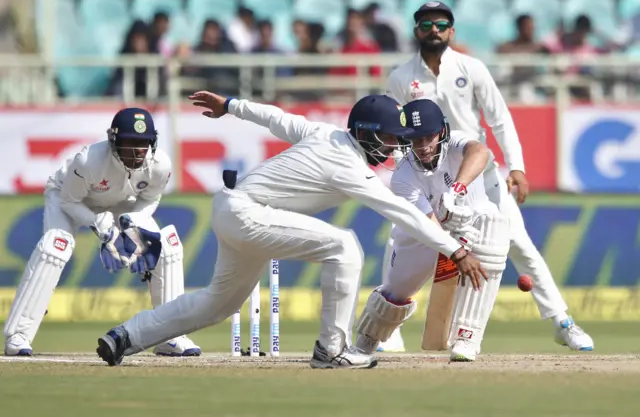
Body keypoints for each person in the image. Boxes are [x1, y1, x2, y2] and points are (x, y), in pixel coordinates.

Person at [95, 92, 487, 369]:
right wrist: (456, 251)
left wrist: (230, 105)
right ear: (365, 133)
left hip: (238, 212)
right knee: (344, 246)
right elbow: (406, 214)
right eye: (388, 139)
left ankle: (125, 336)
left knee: (218, 305)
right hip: (249, 214)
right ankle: (331, 350)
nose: (394, 149)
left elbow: (276, 118)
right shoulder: (347, 165)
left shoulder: (326, 133)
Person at [379, 0, 593, 352]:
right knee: (401, 237)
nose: (434, 30)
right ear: (416, 30)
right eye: (426, 24)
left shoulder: (471, 67)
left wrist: (518, 166)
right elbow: (397, 132)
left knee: (519, 243)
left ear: (452, 31)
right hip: (427, 174)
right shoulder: (401, 78)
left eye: (441, 24)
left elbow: (499, 118)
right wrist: (410, 173)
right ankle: (391, 326)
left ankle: (562, 321)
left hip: (477, 172)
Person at [3, 108, 200, 358]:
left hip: (121, 202)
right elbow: (68, 201)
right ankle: (18, 335)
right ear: (114, 141)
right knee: (56, 246)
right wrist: (98, 223)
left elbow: (151, 198)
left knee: (167, 245)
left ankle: (170, 336)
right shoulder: (89, 161)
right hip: (70, 197)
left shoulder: (160, 164)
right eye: (130, 143)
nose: (138, 151)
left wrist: (133, 222)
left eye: (143, 143)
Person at [355, 99, 510, 362]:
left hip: (470, 224)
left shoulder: (456, 143)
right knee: (396, 291)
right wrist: (457, 252)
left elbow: (480, 152)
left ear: (442, 132)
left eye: (428, 137)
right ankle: (366, 340)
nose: (423, 147)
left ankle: (467, 337)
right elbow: (430, 227)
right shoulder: (403, 176)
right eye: (415, 140)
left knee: (491, 224)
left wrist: (457, 189)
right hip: (425, 233)